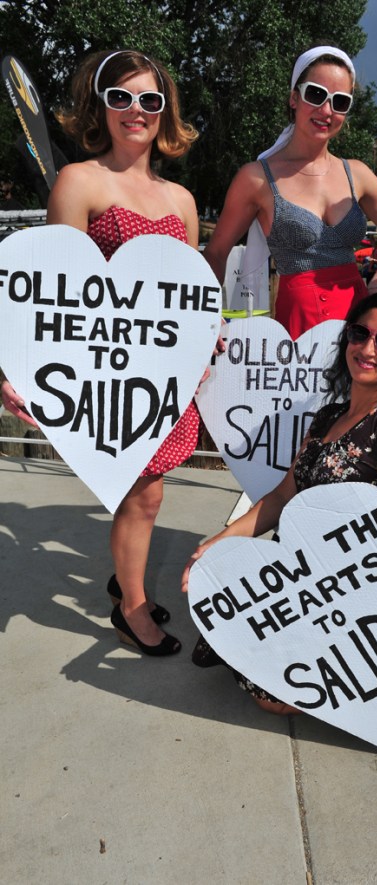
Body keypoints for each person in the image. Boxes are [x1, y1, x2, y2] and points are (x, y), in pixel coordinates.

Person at [1, 49, 211, 656]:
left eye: (150, 100)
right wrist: (20, 371)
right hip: (103, 376)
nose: (136, 111)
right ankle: (132, 608)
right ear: (102, 106)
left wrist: (207, 335)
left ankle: (129, 580)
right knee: (139, 493)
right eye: (121, 98)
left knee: (150, 491)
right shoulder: (79, 181)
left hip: (159, 377)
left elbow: (185, 296)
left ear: (163, 111)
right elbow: (51, 291)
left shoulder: (182, 200)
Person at [182, 289, 377, 715]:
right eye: (359, 334)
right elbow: (280, 497)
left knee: (271, 700)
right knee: (233, 649)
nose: (368, 348)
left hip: (359, 597)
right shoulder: (328, 417)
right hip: (306, 583)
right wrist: (214, 545)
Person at [204, 46, 377, 339]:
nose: (326, 110)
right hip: (296, 326)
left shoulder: (358, 173)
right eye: (316, 94)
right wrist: (209, 317)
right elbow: (215, 252)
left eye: (340, 101)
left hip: (358, 326)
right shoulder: (256, 178)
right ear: (294, 97)